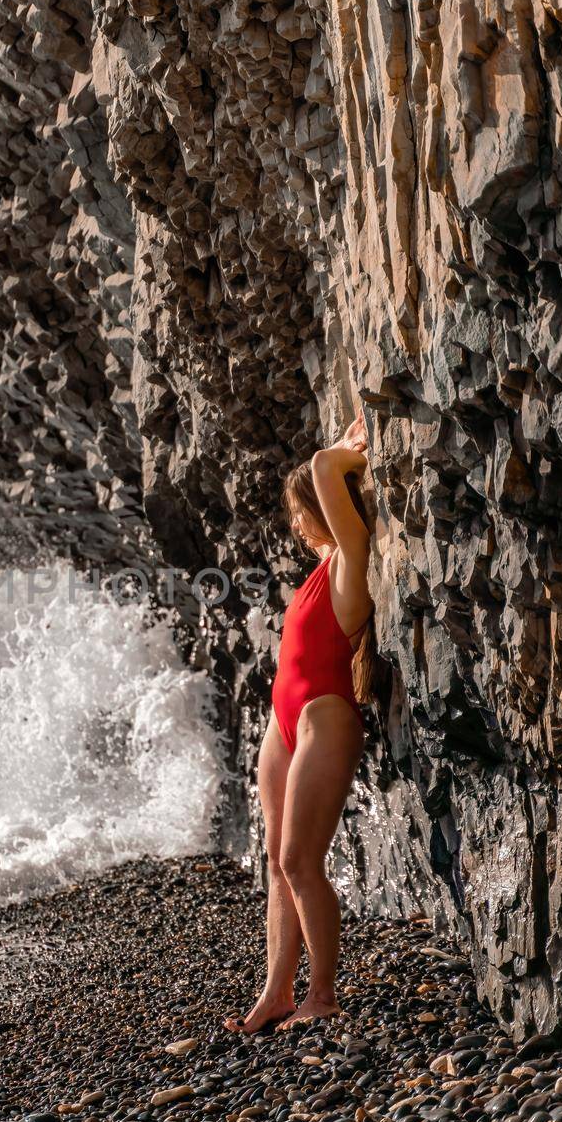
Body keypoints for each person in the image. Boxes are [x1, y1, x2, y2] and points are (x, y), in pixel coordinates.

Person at [224, 404, 376, 1033]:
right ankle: (276, 991)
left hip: (324, 717)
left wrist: (336, 459)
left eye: (300, 509)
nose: (293, 522)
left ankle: (322, 993)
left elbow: (322, 474)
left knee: (300, 861)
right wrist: (338, 453)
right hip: (283, 725)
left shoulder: (348, 563)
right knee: (275, 861)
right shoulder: (317, 572)